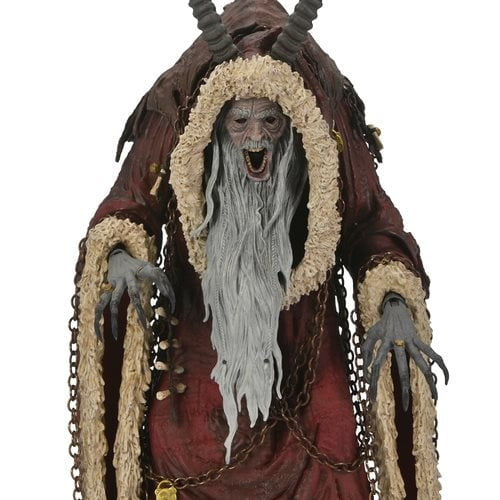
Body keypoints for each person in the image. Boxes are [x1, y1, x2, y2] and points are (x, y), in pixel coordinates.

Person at [69, 1, 447, 499]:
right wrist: (119, 257)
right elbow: (129, 204)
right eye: (240, 121)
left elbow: (372, 222)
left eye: (270, 121)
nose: (255, 140)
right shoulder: (181, 106)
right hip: (200, 347)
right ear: (213, 123)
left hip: (306, 355)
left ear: (293, 121)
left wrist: (393, 299)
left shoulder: (325, 112)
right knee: (179, 452)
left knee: (335, 451)